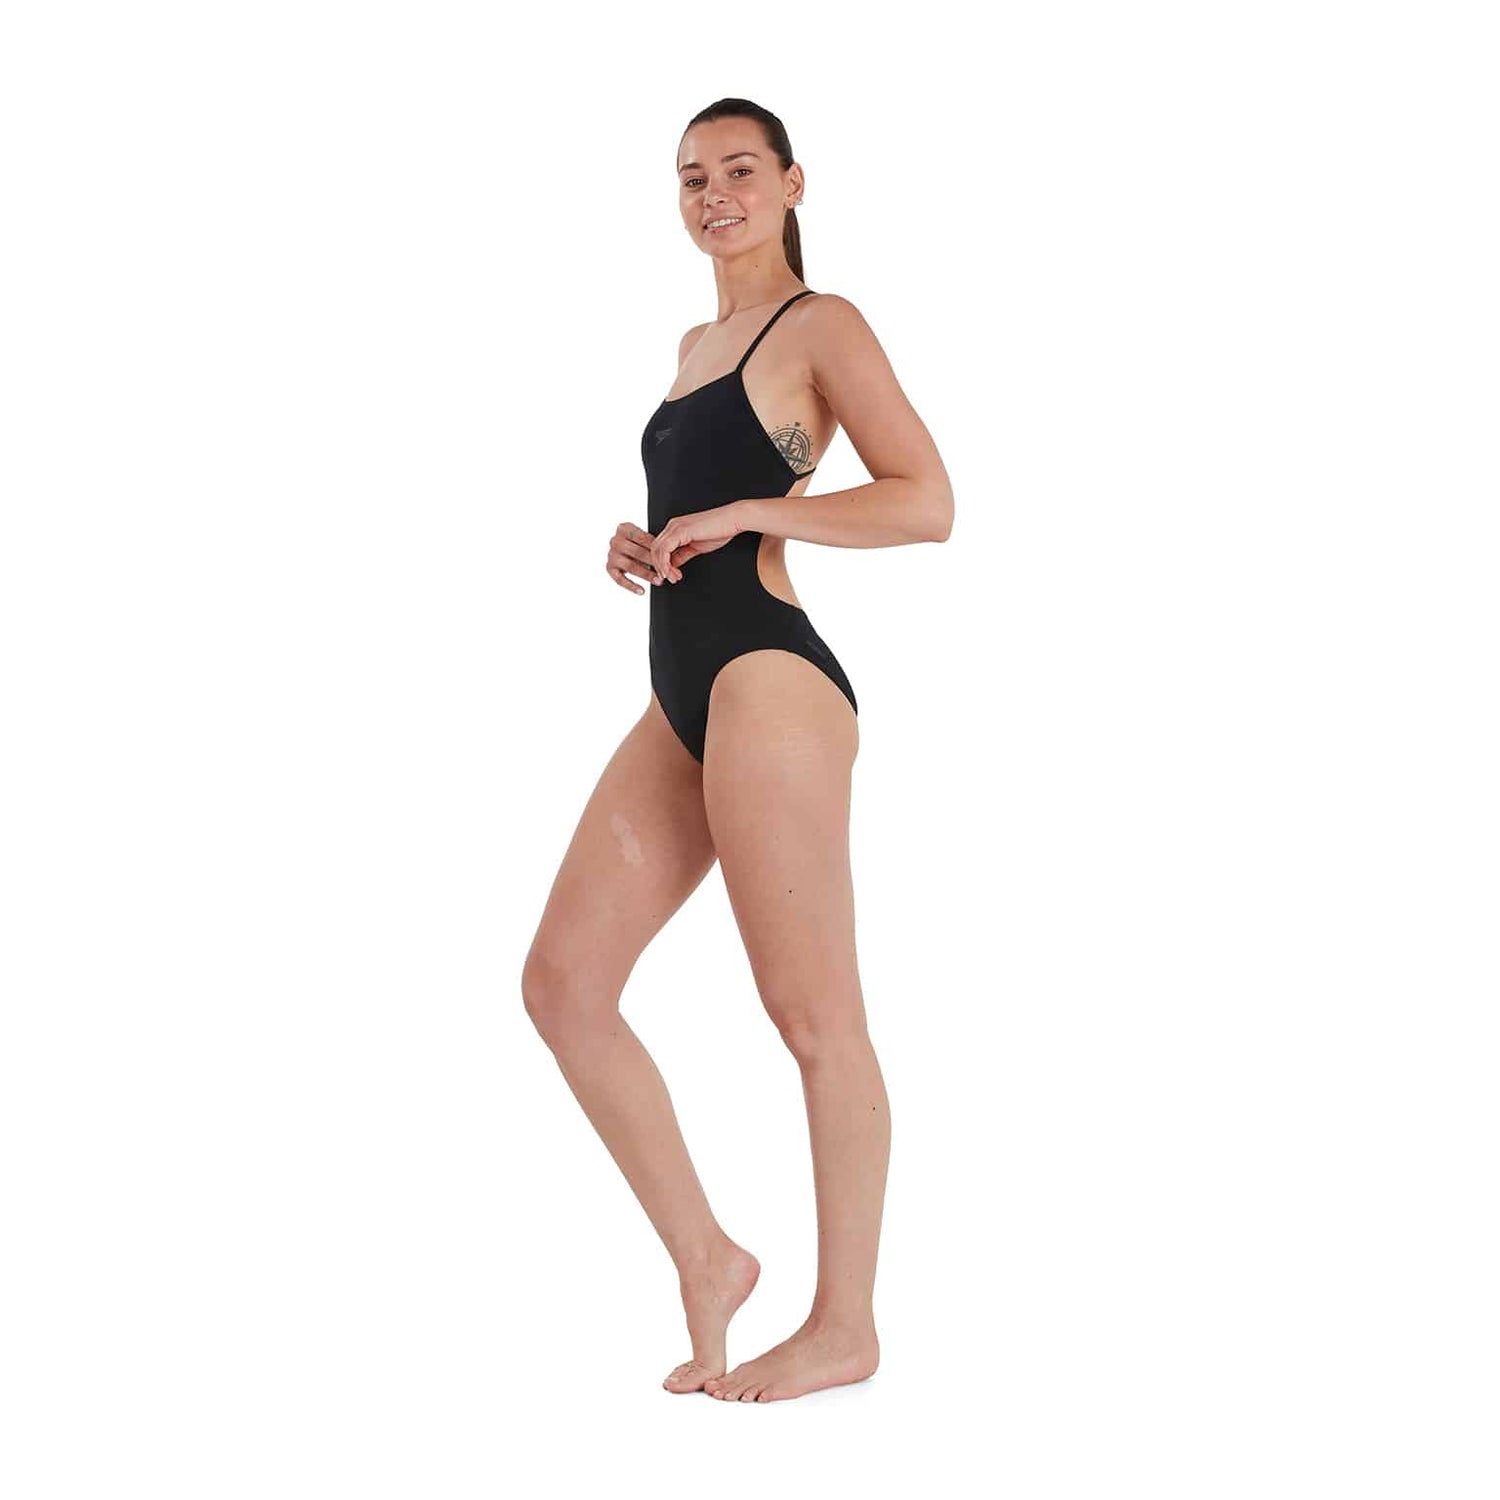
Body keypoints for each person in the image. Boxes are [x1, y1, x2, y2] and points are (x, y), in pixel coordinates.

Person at [522, 97, 954, 1403]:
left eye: (740, 171)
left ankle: (845, 1325)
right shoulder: (695, 344)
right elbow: (701, 510)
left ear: (792, 184)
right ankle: (708, 1256)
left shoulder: (819, 324)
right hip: (682, 683)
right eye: (692, 176)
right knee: (563, 984)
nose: (714, 193)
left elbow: (927, 500)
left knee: (813, 1014)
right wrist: (648, 542)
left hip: (771, 678)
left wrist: (759, 510)